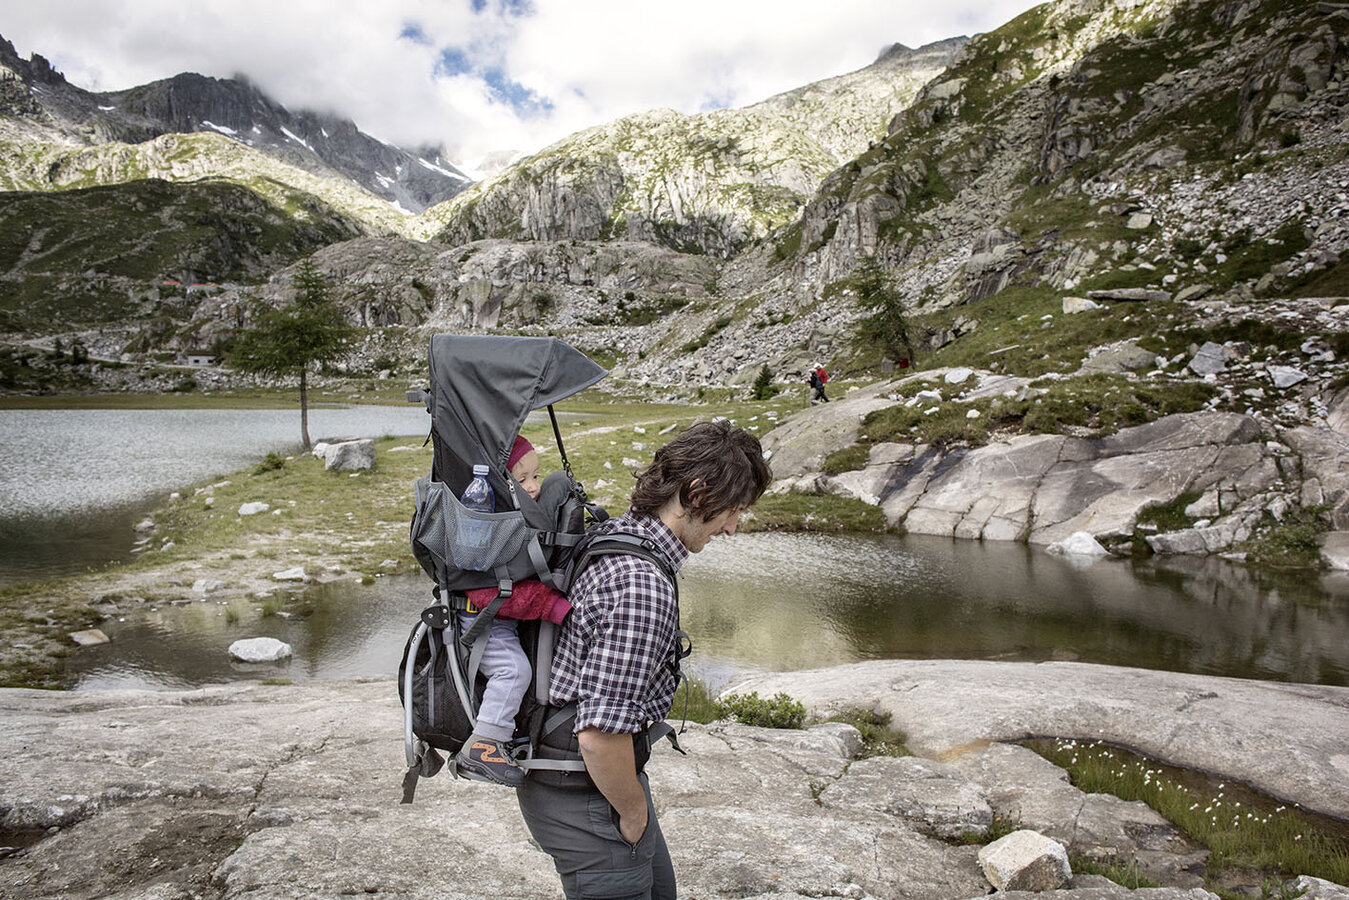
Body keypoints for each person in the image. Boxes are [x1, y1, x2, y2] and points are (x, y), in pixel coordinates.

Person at [516, 419, 772, 900]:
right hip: (585, 791)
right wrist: (632, 812)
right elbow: (598, 735)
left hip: (579, 781)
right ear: (697, 493)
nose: (734, 527)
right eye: (733, 510)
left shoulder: (620, 533)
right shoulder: (642, 585)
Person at [455, 434, 571, 787]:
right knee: (514, 671)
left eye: (536, 476)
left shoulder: (514, 517)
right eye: (522, 480)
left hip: (497, 619)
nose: (533, 487)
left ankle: (511, 732)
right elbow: (495, 592)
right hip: (481, 620)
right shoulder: (484, 527)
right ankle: (483, 745)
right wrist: (551, 605)